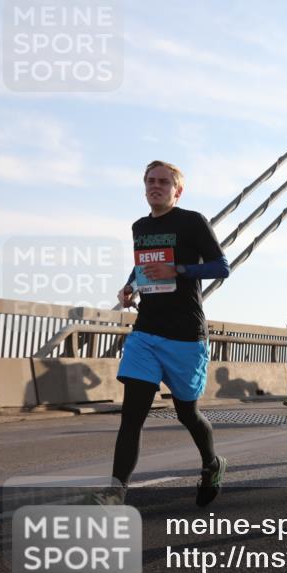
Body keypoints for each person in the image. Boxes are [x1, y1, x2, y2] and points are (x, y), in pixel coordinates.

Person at [101, 160, 230, 507]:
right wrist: (129, 286)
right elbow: (143, 263)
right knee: (132, 417)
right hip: (146, 332)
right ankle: (116, 493)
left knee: (188, 413)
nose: (155, 186)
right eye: (150, 181)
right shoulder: (140, 226)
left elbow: (222, 267)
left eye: (163, 182)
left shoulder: (192, 221)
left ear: (177, 190)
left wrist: (180, 268)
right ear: (144, 187)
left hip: (186, 334)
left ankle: (211, 463)